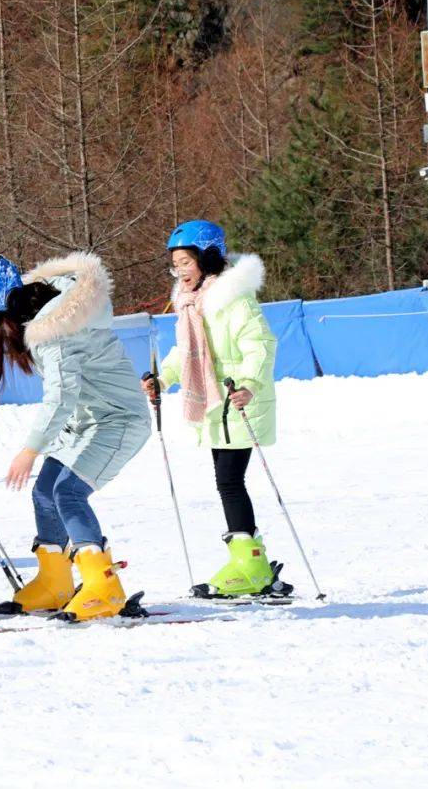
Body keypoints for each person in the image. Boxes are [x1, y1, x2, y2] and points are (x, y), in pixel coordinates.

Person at [0, 252, 151, 621]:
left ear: (8, 312)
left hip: (119, 420)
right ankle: (55, 582)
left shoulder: (55, 332)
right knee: (44, 491)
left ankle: (103, 587)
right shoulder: (50, 317)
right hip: (87, 421)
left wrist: (30, 450)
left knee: (68, 493)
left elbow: (61, 397)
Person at [141, 220, 290, 598]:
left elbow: (261, 345)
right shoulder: (190, 305)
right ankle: (252, 561)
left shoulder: (233, 299)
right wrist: (163, 379)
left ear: (207, 260)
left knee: (228, 480)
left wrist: (250, 385)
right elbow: (183, 353)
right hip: (214, 404)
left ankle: (251, 566)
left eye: (187, 262)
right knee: (227, 481)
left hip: (236, 402)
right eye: (175, 264)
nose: (180, 271)